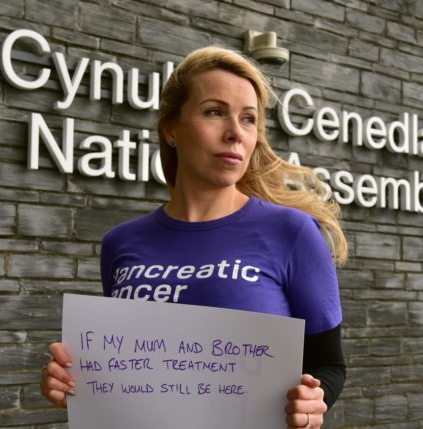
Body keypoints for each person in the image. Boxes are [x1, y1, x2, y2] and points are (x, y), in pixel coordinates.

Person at [41, 46, 348, 429]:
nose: (235, 132)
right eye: (215, 112)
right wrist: (71, 380)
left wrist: (315, 401)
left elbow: (329, 365)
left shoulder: (291, 232)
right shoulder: (121, 243)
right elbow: (130, 368)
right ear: (171, 129)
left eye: (249, 119)